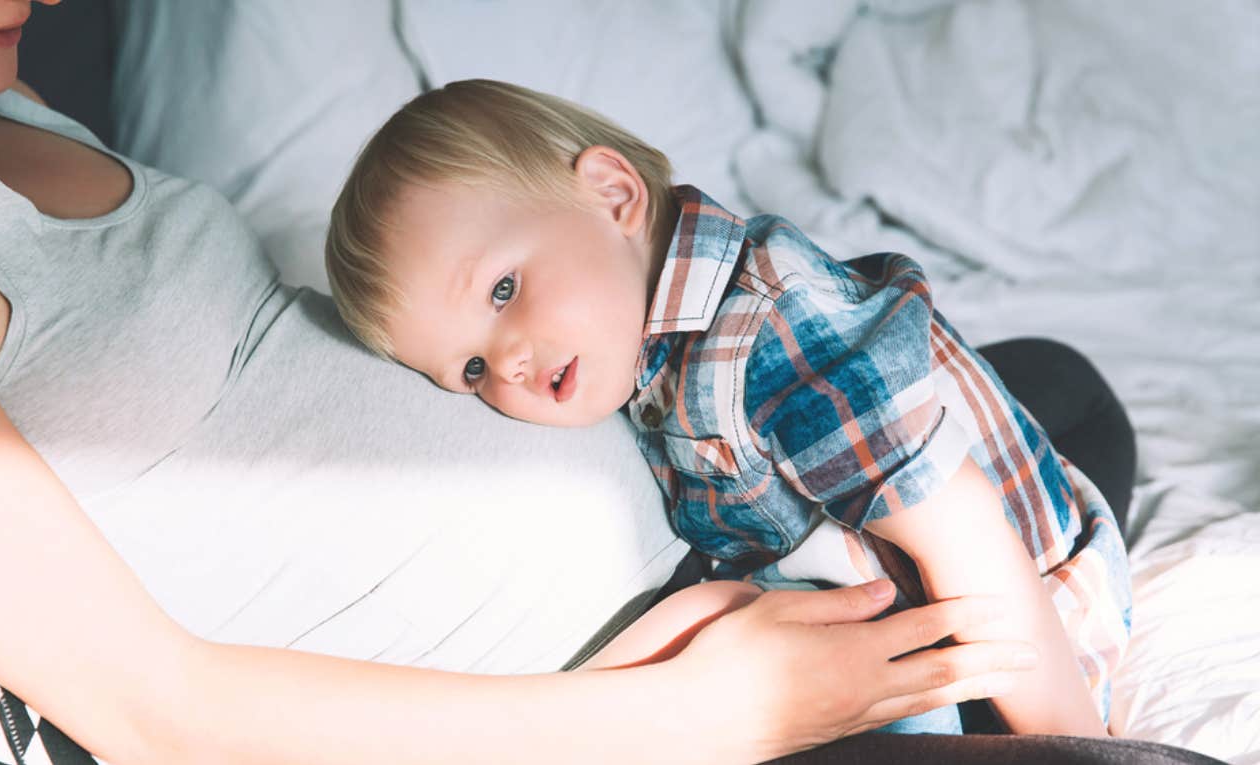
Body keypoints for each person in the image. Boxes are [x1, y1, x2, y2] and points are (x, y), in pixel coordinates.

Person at [0, 2, 1079, 764]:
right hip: (651, 715)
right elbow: (151, 709)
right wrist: (686, 716)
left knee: (1039, 390)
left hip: (717, 543)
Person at [324, 80, 1132, 736]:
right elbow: (716, 598)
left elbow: (967, 534)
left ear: (613, 194)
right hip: (834, 606)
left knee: (1061, 390)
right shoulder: (636, 357)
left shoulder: (767, 331)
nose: (508, 362)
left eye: (503, 290)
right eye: (468, 369)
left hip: (999, 622)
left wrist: (1077, 747)